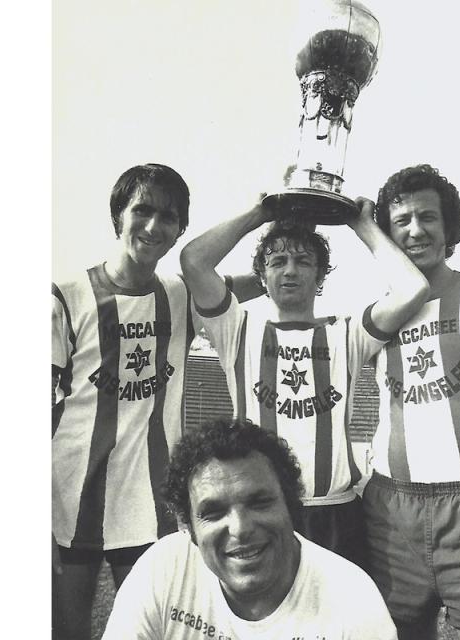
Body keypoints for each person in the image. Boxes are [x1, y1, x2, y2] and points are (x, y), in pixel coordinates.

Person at [51, 164, 262, 640]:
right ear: (117, 216)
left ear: (180, 230)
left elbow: (263, 279)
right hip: (70, 500)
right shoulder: (65, 297)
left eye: (168, 217)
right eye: (141, 210)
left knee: (155, 630)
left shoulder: (178, 294)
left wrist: (275, 213)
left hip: (149, 502)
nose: (152, 226)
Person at [179, 197, 430, 569]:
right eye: (278, 262)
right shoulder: (238, 329)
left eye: (303, 261)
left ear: (321, 274)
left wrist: (359, 223)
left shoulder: (348, 333)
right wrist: (260, 212)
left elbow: (413, 289)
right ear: (262, 277)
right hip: (262, 512)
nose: (290, 270)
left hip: (336, 513)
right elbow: (193, 261)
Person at [102, 417, 398, 639]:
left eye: (259, 503)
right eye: (213, 512)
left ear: (291, 507)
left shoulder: (353, 600)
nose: (240, 528)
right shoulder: (162, 570)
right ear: (188, 527)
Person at [362, 164, 460, 640]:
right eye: (402, 221)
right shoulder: (378, 314)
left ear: (449, 226)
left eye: (428, 217)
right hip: (392, 510)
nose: (416, 230)